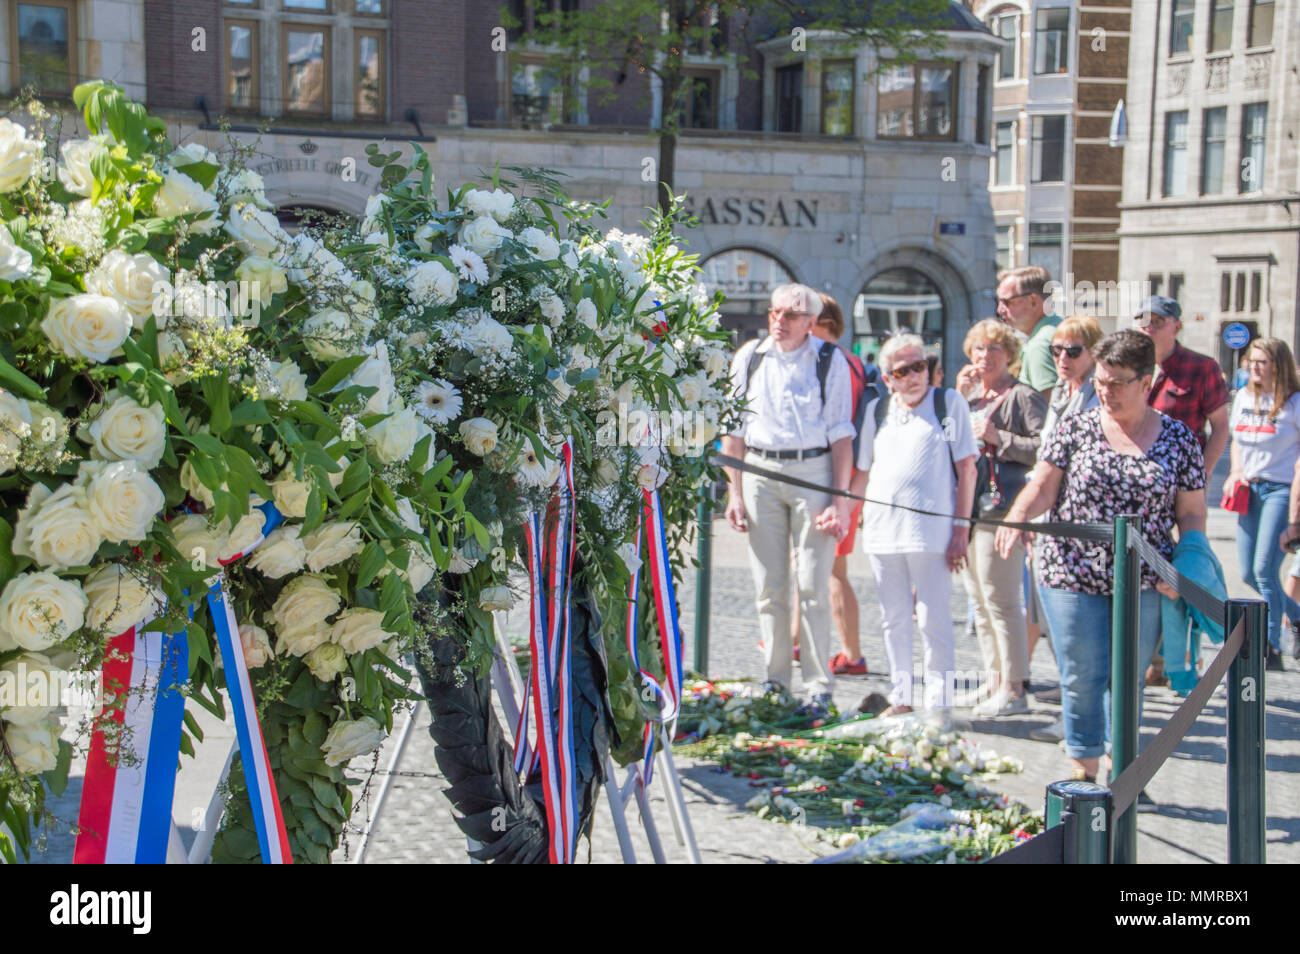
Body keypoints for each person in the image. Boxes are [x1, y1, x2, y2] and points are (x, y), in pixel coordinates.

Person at [996, 331, 1207, 784]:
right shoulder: (1077, 427)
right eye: (1101, 381)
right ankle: (1083, 767)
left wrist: (1186, 566)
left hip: (1145, 578)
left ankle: (1123, 769)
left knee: (1126, 677)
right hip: (1071, 572)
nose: (1104, 391)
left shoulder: (1180, 439)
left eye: (1116, 383)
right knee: (1081, 673)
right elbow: (1044, 486)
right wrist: (1016, 516)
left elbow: (1191, 514)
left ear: (1145, 382)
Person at [722, 284, 854, 711]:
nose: (780, 321)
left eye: (791, 315)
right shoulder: (749, 357)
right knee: (769, 586)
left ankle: (818, 685)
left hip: (812, 471)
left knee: (813, 583)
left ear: (811, 323)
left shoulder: (830, 360)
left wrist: (840, 500)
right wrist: (734, 492)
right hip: (759, 471)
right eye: (774, 312)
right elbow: (734, 432)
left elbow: (841, 436)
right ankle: (775, 681)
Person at [849, 334, 978, 719]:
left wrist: (961, 528)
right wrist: (843, 511)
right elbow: (862, 471)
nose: (914, 376)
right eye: (903, 371)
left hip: (931, 531)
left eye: (920, 366)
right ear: (888, 378)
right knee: (894, 619)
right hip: (882, 530)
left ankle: (939, 704)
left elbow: (967, 470)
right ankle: (901, 698)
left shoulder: (948, 404)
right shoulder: (876, 411)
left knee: (934, 617)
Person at [952, 319, 1047, 717]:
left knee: (1002, 600)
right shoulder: (971, 398)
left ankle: (1015, 687)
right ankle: (994, 680)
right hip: (969, 510)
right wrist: (958, 398)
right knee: (979, 601)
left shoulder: (1022, 396)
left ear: (1009, 355)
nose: (985, 356)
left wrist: (1000, 439)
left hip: (1003, 509)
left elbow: (1046, 447)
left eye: (994, 349)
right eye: (978, 349)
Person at [1133, 295, 1229, 687]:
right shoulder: (1129, 364)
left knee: (1184, 575)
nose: (1150, 326)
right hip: (1138, 490)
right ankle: (1155, 659)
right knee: (1147, 574)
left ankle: (1186, 658)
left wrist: (1200, 476)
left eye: (1159, 319)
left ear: (1177, 325)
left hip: (1182, 491)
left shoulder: (1200, 367)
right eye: (1143, 319)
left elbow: (1220, 426)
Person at [1025, 315, 1104, 741]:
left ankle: (1083, 724)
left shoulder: (1097, 397)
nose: (1062, 358)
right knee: (1052, 620)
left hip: (1078, 527)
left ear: (1093, 353)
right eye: (1056, 350)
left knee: (1076, 631)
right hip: (1048, 524)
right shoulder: (1059, 393)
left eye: (1073, 351)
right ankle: (1077, 715)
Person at [790, 293, 874, 675]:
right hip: (840, 479)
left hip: (836, 481)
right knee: (808, 564)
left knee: (834, 570)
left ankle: (852, 653)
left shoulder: (837, 362)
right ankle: (794, 640)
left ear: (824, 325)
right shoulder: (847, 362)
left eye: (807, 320)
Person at [1227, 337, 1300, 672]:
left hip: (1280, 490)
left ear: (1278, 365)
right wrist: (1235, 471)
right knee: (1246, 571)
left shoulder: (1294, 403)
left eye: (1262, 362)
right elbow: (1237, 442)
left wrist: (1296, 517)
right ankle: (1296, 617)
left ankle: (1270, 647)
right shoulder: (1243, 396)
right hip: (1249, 489)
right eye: (1251, 361)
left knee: (1264, 569)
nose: (1254, 367)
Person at [995, 265, 1061, 400]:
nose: (1000, 310)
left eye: (1007, 302)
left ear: (1033, 301)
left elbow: (1047, 408)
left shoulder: (1040, 344)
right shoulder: (1057, 329)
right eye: (999, 302)